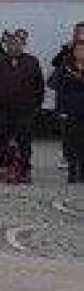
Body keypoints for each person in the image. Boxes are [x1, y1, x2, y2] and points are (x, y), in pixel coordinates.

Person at [0, 30, 44, 184]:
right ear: (6, 45)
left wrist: (36, 106)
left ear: (23, 44)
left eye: (18, 44)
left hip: (25, 110)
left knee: (24, 141)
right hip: (0, 109)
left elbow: (39, 86)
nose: (14, 47)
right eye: (11, 44)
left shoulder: (32, 62)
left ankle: (24, 170)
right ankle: (0, 167)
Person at [51, 40, 84, 184]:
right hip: (71, 110)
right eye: (78, 50)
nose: (81, 52)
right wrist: (61, 109)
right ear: (73, 51)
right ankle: (72, 171)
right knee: (71, 142)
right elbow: (57, 88)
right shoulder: (66, 67)